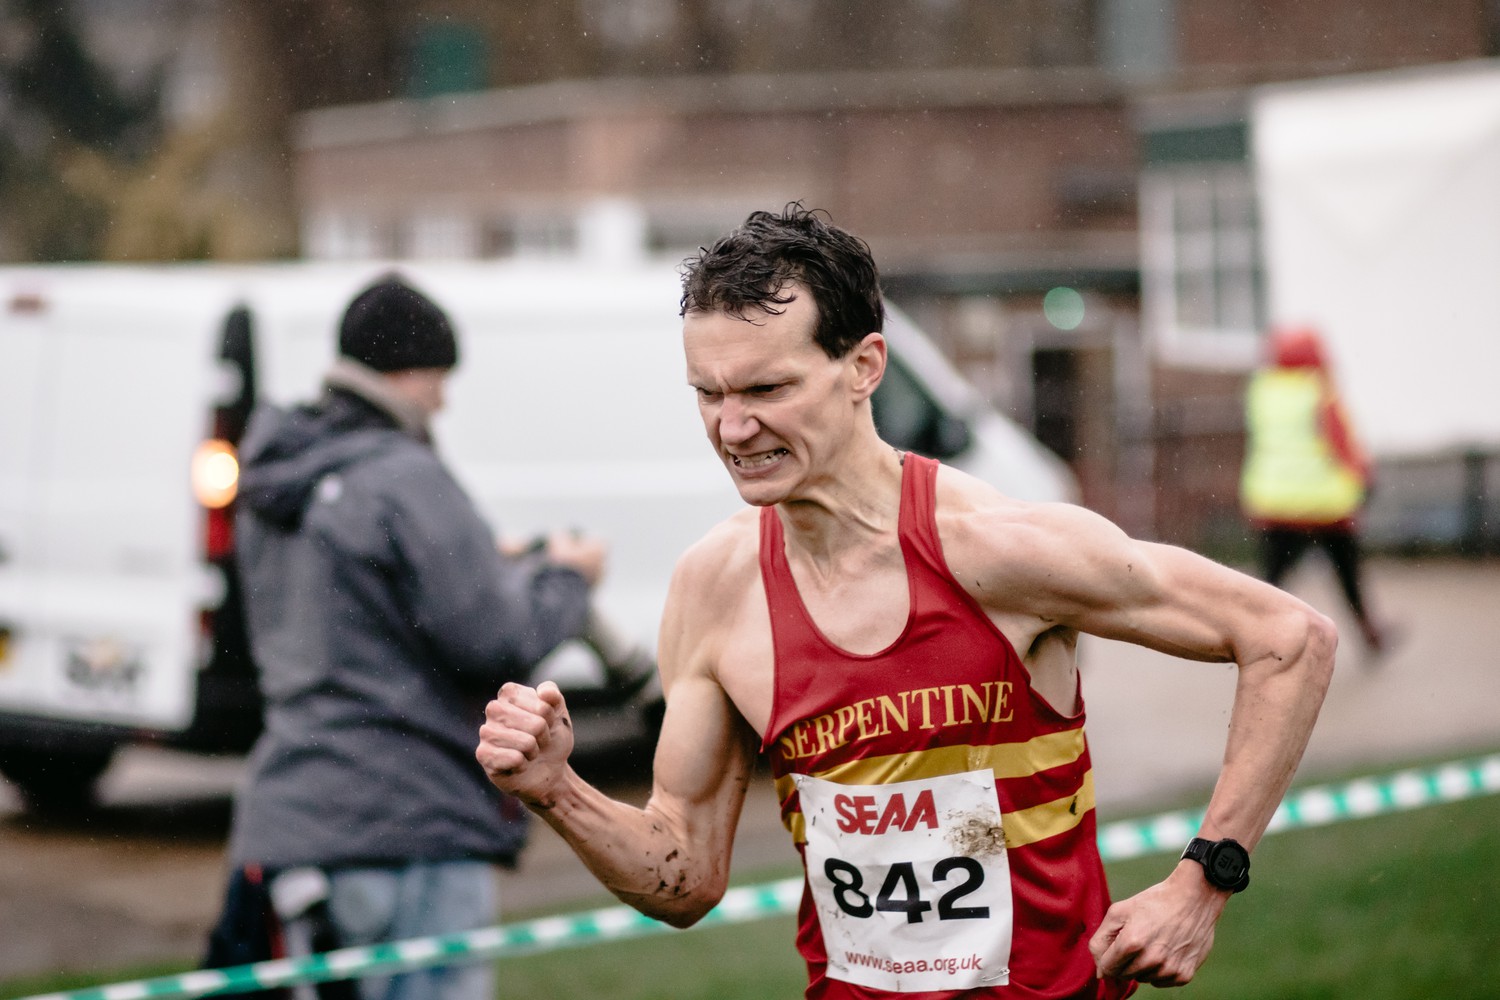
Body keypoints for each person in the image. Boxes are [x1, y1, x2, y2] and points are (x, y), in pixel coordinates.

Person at [476, 206, 1336, 997]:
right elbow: (685, 876)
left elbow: (1287, 637)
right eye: (709, 394)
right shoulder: (716, 589)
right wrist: (558, 789)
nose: (731, 430)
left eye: (766, 391)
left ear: (864, 367)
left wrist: (1202, 884)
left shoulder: (995, 548)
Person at [218, 274, 607, 1000]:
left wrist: (501, 565)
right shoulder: (405, 476)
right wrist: (568, 579)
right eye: (439, 380)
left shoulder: (274, 477)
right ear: (407, 370)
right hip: (409, 823)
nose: (443, 401)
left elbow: (358, 611)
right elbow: (496, 640)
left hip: (293, 823)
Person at [1240, 324, 1388, 654]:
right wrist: (1365, 477)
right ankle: (1368, 631)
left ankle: (1246, 633)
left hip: (1275, 502)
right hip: (1324, 505)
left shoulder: (1262, 391)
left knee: (1270, 581)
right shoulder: (1319, 392)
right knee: (1348, 572)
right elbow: (1342, 444)